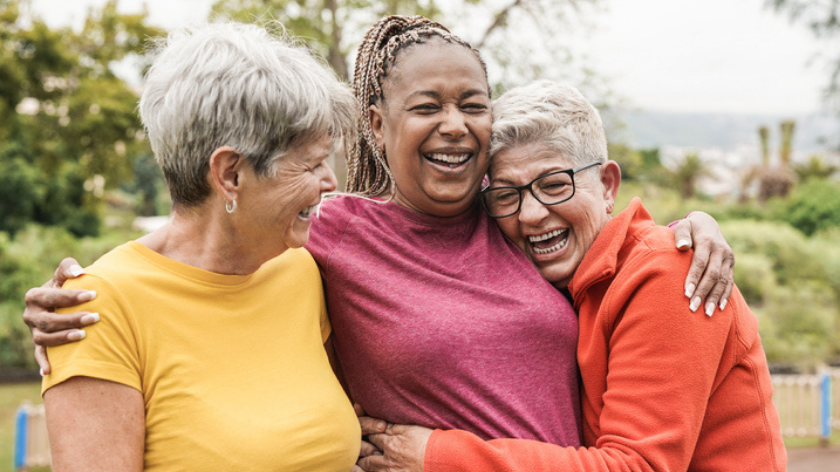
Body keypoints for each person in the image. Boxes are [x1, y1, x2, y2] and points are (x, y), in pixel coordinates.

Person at [24, 15, 735, 458]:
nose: (455, 125)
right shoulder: (327, 240)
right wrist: (89, 290)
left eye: (473, 106)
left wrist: (690, 231)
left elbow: (595, 230)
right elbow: (208, 230)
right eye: (426, 106)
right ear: (374, 124)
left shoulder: (511, 217)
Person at [355, 81, 786, 472]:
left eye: (555, 185)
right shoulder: (564, 279)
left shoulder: (668, 275)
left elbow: (635, 466)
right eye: (507, 194)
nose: (531, 214)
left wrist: (437, 456)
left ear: (608, 186)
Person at [38, 22, 361, 471]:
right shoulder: (97, 309)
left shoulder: (300, 268)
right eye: (310, 164)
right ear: (230, 174)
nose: (330, 182)